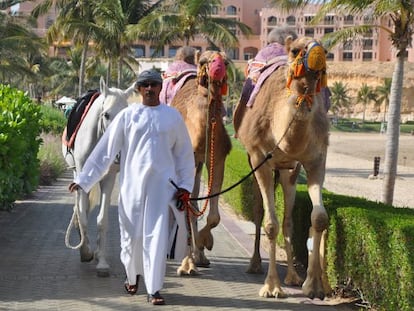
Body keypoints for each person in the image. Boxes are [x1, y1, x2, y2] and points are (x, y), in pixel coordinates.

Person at [68, 69, 195, 305]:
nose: (149, 88)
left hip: (162, 189)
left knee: (155, 237)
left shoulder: (172, 117)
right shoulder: (128, 116)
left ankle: (154, 288)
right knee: (131, 236)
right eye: (144, 84)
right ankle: (131, 276)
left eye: (154, 84)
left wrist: (185, 186)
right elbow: (105, 151)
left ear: (160, 88)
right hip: (131, 188)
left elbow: (184, 156)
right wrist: (84, 180)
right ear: (138, 89)